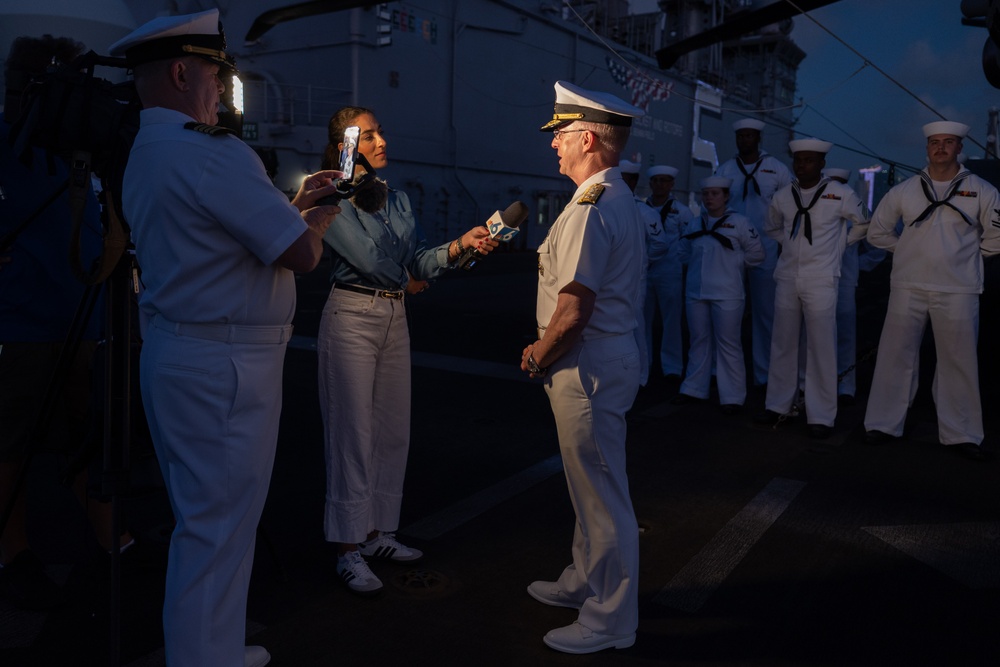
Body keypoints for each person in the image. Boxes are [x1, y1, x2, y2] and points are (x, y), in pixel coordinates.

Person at [109, 10, 342, 666]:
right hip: (226, 366)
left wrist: (292, 210)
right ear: (184, 72)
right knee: (218, 530)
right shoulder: (213, 152)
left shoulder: (147, 150)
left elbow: (218, 240)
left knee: (208, 524)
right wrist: (316, 218)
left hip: (181, 353)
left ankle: (212, 647)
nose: (221, 90)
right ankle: (202, 656)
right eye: (216, 74)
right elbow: (299, 257)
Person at [316, 106, 499, 596]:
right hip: (352, 313)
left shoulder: (396, 198)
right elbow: (367, 259)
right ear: (346, 143)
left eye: (381, 131)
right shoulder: (329, 193)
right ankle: (347, 549)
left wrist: (460, 245)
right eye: (370, 135)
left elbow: (416, 257)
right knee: (351, 432)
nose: (382, 141)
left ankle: (377, 535)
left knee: (392, 430)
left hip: (394, 315)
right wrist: (412, 279)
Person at [0, 34, 134, 611]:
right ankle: (12, 551)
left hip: (81, 315)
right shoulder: (10, 142)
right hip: (20, 323)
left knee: (87, 438)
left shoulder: (74, 144)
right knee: (10, 445)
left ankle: (114, 541)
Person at [521, 80, 644, 655]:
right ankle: (582, 582)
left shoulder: (593, 207)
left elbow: (573, 309)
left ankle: (611, 619)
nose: (555, 146)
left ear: (587, 136)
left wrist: (538, 353)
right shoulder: (612, 197)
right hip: (602, 358)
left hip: (585, 364)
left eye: (562, 135)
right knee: (587, 486)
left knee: (601, 495)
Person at [864, 121, 1000, 461]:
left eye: (948, 142)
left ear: (959, 148)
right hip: (908, 284)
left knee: (959, 361)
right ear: (927, 149)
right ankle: (882, 423)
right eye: (935, 142)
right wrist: (909, 250)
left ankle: (962, 433)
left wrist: (966, 260)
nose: (940, 147)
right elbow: (878, 233)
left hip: (958, 288)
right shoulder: (904, 190)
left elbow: (997, 237)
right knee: (895, 356)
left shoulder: (982, 190)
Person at [754, 139, 868, 439]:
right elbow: (772, 227)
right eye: (798, 160)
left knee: (821, 345)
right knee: (783, 342)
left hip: (821, 278)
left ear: (821, 164)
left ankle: (821, 414)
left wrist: (840, 246)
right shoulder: (783, 196)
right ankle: (778, 405)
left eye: (808, 160)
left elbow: (863, 223)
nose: (801, 165)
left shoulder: (839, 193)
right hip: (789, 275)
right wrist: (790, 246)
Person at [674, 177, 764, 413]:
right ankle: (693, 389)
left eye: (715, 194)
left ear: (726, 197)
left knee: (729, 344)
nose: (709, 198)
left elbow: (757, 254)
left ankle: (732, 396)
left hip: (728, 293)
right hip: (697, 292)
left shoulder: (740, 223)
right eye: (706, 194)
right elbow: (682, 252)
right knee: (698, 341)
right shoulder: (695, 224)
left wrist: (732, 266)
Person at [715, 118, 792, 387]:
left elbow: (791, 210)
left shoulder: (777, 169)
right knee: (727, 312)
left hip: (767, 248)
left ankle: (764, 374)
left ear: (758, 139)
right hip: (731, 250)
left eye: (749, 136)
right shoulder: (726, 169)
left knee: (764, 314)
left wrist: (784, 246)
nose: (744, 141)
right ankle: (723, 372)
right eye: (741, 136)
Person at [823, 168, 886, 404]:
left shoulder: (857, 210)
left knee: (846, 335)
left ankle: (845, 386)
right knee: (816, 333)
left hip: (844, 280)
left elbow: (878, 248)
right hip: (817, 278)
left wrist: (858, 266)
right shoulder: (814, 207)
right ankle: (818, 383)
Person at [643, 164, 691, 380]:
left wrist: (681, 264)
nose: (660, 184)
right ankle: (643, 365)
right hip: (645, 272)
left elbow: (689, 241)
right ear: (651, 184)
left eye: (664, 181)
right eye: (656, 181)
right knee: (642, 320)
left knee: (671, 321)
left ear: (672, 184)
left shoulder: (682, 211)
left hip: (670, 271)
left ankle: (672, 367)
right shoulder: (641, 208)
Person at [618, 158, 654, 386]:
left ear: (633, 181)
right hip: (615, 278)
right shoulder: (611, 205)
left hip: (635, 278)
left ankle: (641, 375)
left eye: (625, 179)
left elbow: (660, 243)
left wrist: (643, 261)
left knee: (637, 327)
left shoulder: (643, 211)